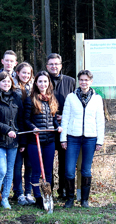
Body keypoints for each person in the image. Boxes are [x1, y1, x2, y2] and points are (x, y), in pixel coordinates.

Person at [60, 70, 105, 208]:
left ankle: (84, 200)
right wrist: (63, 139)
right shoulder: (71, 97)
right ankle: (69, 198)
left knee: (85, 170)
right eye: (81, 80)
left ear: (91, 81)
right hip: (73, 137)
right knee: (68, 169)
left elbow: (100, 120)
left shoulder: (97, 98)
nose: (83, 82)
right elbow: (65, 118)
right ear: (78, 81)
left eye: (86, 80)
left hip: (90, 138)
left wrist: (100, 140)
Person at [0, 71, 24, 211]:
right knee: (1, 169)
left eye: (8, 82)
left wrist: (22, 141)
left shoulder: (16, 98)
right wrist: (7, 129)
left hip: (13, 141)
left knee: (10, 171)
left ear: (12, 83)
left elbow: (21, 120)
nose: (6, 84)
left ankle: (5, 198)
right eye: (3, 81)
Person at [23, 71, 62, 209]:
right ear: (36, 83)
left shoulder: (51, 99)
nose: (43, 84)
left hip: (49, 141)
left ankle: (48, 195)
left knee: (48, 170)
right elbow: (26, 120)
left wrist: (58, 127)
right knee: (36, 171)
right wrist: (33, 128)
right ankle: (38, 197)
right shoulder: (30, 99)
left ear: (48, 84)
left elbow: (53, 118)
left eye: (45, 81)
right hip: (35, 142)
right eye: (40, 81)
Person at [46, 53, 76, 200]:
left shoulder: (71, 82)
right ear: (47, 66)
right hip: (47, 127)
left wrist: (64, 117)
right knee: (48, 160)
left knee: (65, 161)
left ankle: (63, 190)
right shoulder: (42, 81)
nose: (54, 66)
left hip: (66, 127)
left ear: (61, 65)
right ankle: (48, 190)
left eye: (56, 64)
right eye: (51, 64)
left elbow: (76, 105)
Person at [12, 62, 35, 206]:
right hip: (17, 130)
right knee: (17, 164)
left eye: (28, 73)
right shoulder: (12, 88)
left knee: (30, 165)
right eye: (23, 72)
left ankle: (28, 192)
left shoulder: (34, 88)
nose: (26, 75)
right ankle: (18, 193)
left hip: (30, 131)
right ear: (17, 72)